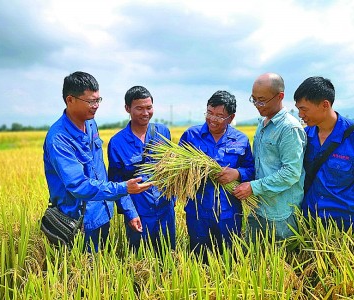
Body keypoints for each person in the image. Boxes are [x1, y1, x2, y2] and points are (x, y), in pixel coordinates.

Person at [43, 71, 151, 252]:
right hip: (79, 222)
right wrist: (123, 188)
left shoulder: (90, 123)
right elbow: (78, 185)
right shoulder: (59, 139)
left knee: (101, 269)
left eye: (98, 100)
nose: (96, 106)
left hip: (102, 213)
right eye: (91, 101)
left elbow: (99, 168)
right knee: (85, 273)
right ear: (70, 100)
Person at [294, 76, 354, 236]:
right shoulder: (304, 136)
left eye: (304, 109)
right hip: (312, 225)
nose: (300, 114)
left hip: (349, 228)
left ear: (325, 104)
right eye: (298, 109)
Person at [179, 90, 255, 260]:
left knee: (229, 258)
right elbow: (177, 170)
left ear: (231, 117)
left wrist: (237, 173)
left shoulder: (240, 139)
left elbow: (251, 169)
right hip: (198, 211)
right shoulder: (191, 136)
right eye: (209, 113)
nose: (212, 119)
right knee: (199, 259)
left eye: (219, 116)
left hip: (229, 213)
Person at [233, 73, 306, 242]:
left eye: (262, 100)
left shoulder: (289, 129)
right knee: (255, 262)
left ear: (280, 96)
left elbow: (291, 172)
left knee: (278, 266)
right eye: (254, 99)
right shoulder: (263, 123)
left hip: (280, 214)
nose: (257, 105)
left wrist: (253, 187)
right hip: (258, 207)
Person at [108, 86, 176, 252]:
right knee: (140, 257)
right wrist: (130, 213)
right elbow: (117, 183)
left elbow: (171, 168)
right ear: (127, 109)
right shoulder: (117, 143)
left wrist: (172, 200)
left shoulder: (162, 132)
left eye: (149, 107)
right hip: (139, 211)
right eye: (139, 108)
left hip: (165, 208)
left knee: (167, 256)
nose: (145, 113)